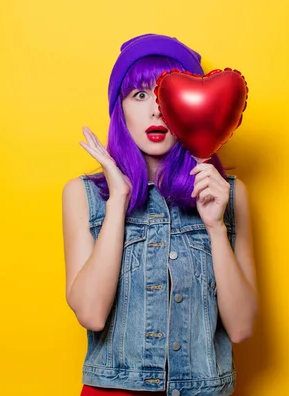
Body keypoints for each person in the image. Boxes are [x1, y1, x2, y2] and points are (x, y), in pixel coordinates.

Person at [62, 33, 258, 396]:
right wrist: (118, 199)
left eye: (166, 95)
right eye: (139, 95)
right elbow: (91, 314)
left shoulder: (230, 194)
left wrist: (215, 227)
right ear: (119, 110)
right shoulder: (85, 195)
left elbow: (242, 327)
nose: (156, 110)